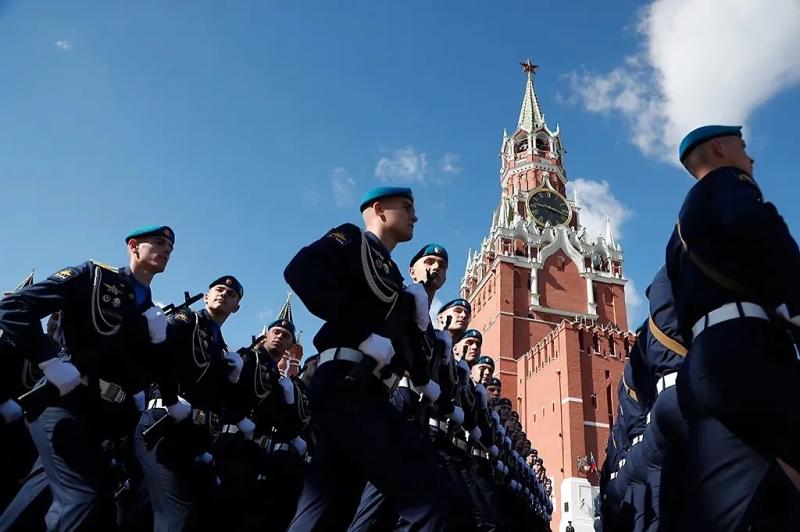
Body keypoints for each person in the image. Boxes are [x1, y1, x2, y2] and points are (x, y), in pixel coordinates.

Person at [284, 186, 454, 531]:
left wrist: (419, 323)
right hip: (345, 380)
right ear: (379, 210)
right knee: (427, 496)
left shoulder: (395, 278)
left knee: (328, 504)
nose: (415, 216)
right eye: (406, 207)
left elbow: (409, 354)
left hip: (370, 391)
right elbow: (300, 272)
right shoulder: (350, 238)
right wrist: (360, 334)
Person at [668, 125, 800, 530]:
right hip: (747, 353)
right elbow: (767, 243)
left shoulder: (678, 232)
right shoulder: (729, 184)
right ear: (720, 148)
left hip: (703, 368)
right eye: (744, 147)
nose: (752, 158)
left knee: (733, 504)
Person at [0, 224, 174, 531]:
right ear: (133, 246)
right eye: (158, 243)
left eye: (169, 249)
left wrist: (159, 345)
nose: (165, 251)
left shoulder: (150, 311)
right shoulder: (94, 276)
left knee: (38, 499)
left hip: (102, 418)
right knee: (81, 498)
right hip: (62, 401)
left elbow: (140, 375)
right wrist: (50, 360)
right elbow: (14, 307)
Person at [134, 274, 245, 532]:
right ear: (206, 296)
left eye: (231, 295)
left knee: (145, 509)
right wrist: (169, 397)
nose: (223, 295)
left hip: (188, 436)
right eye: (218, 290)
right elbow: (160, 352)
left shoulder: (221, 347)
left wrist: (233, 378)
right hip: (162, 423)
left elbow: (219, 404)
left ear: (236, 308)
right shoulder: (188, 319)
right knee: (176, 514)